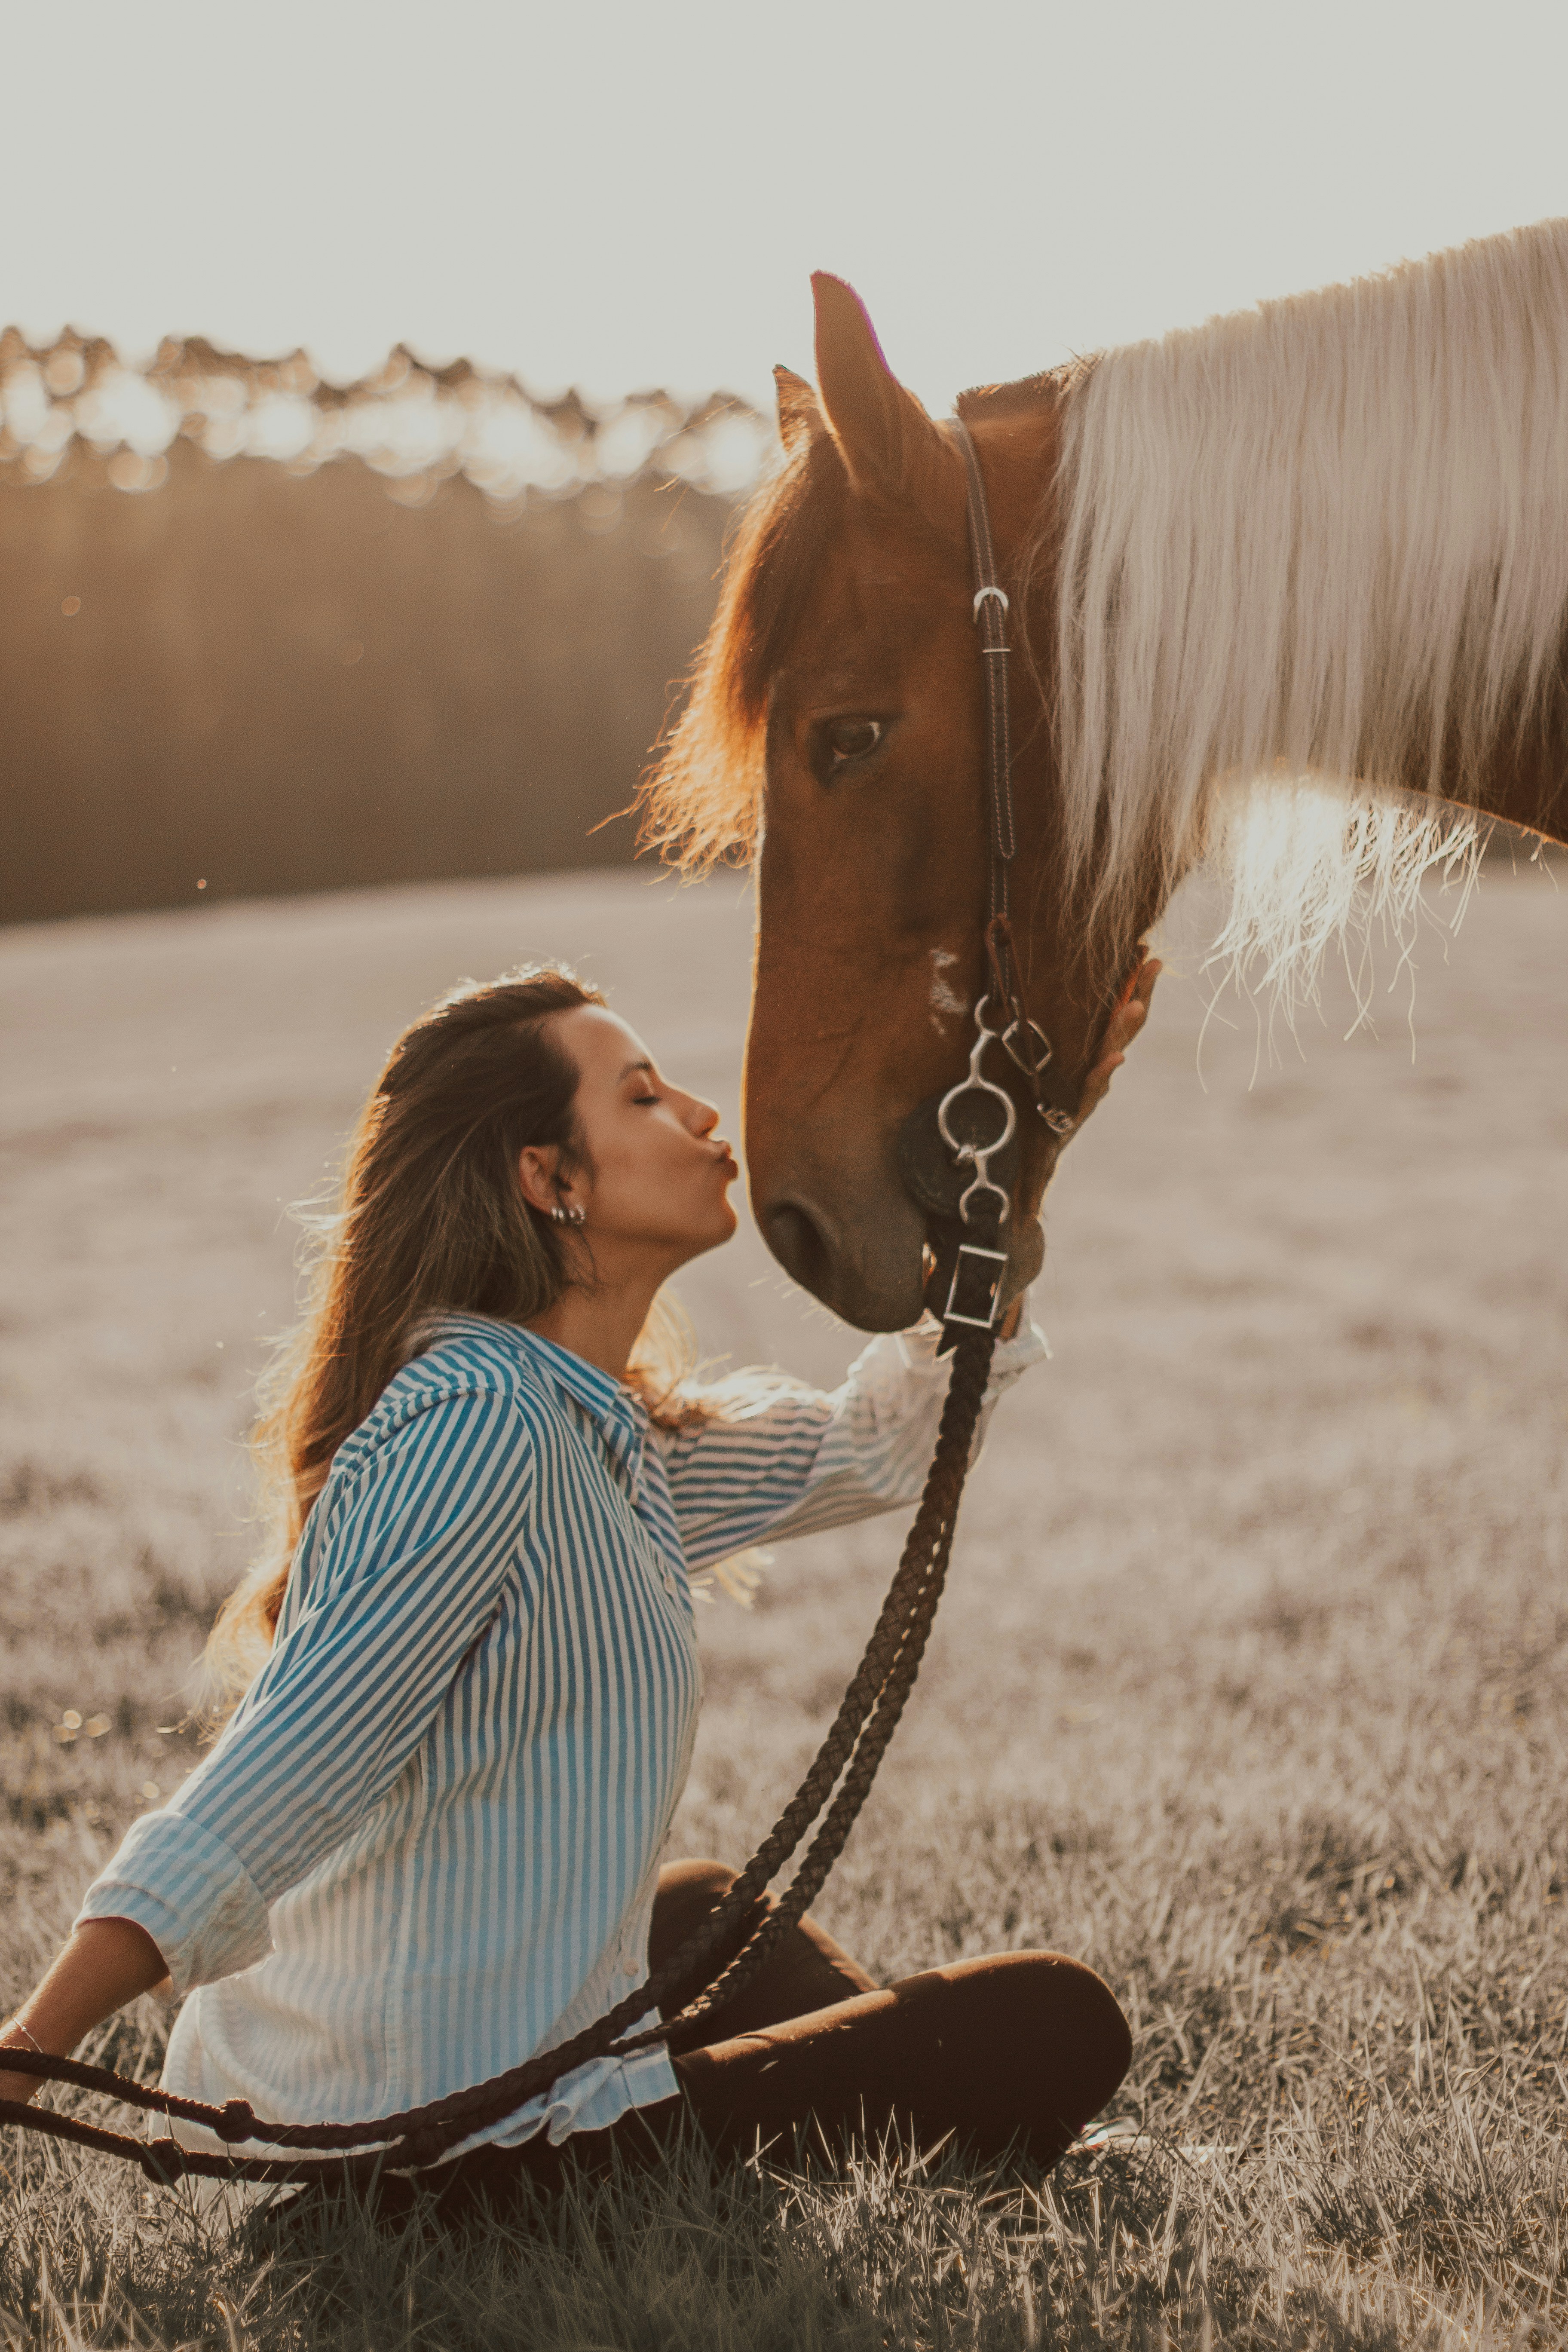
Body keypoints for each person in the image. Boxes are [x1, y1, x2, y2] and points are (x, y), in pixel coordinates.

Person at [0, 956, 1158, 2221]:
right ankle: (987, 2132)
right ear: (550, 1179)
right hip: (410, 2158)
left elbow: (875, 1448)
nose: (709, 1119)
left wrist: (1023, 1152)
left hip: (420, 2087)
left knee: (712, 1910)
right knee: (1055, 2018)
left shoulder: (598, 1437)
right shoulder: (485, 1429)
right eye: (648, 1099)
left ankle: (970, 2145)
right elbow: (286, 1769)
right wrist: (33, 2045)